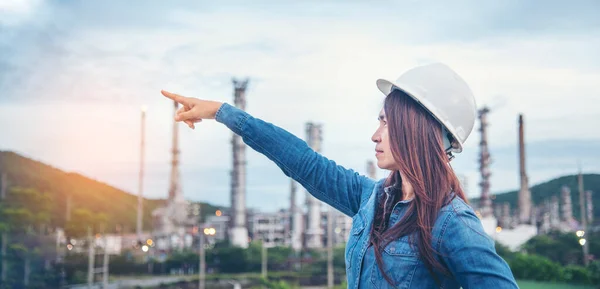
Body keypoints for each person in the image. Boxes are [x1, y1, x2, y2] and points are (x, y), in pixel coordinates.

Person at [160, 62, 519, 289]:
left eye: (386, 123)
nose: (375, 135)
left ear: (417, 131)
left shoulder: (451, 223)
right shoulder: (372, 200)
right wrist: (224, 112)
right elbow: (303, 161)